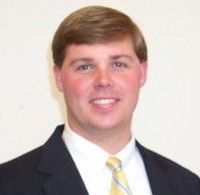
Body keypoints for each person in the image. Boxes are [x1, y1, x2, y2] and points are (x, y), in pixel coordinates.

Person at [0, 5, 199, 195]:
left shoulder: (188, 186)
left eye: (118, 64)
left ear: (142, 72)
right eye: (85, 67)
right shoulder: (7, 185)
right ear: (59, 78)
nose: (103, 81)